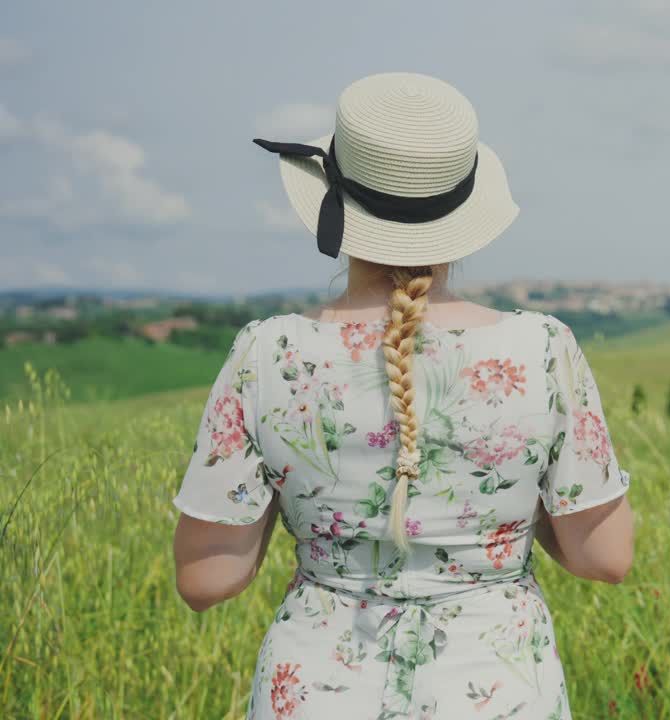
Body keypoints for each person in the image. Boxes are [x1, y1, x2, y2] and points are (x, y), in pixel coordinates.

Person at [171, 72, 635, 719]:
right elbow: (605, 558)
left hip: (315, 694)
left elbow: (206, 580)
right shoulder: (544, 348)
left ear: (334, 200)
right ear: (464, 212)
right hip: (500, 694)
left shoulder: (266, 352)